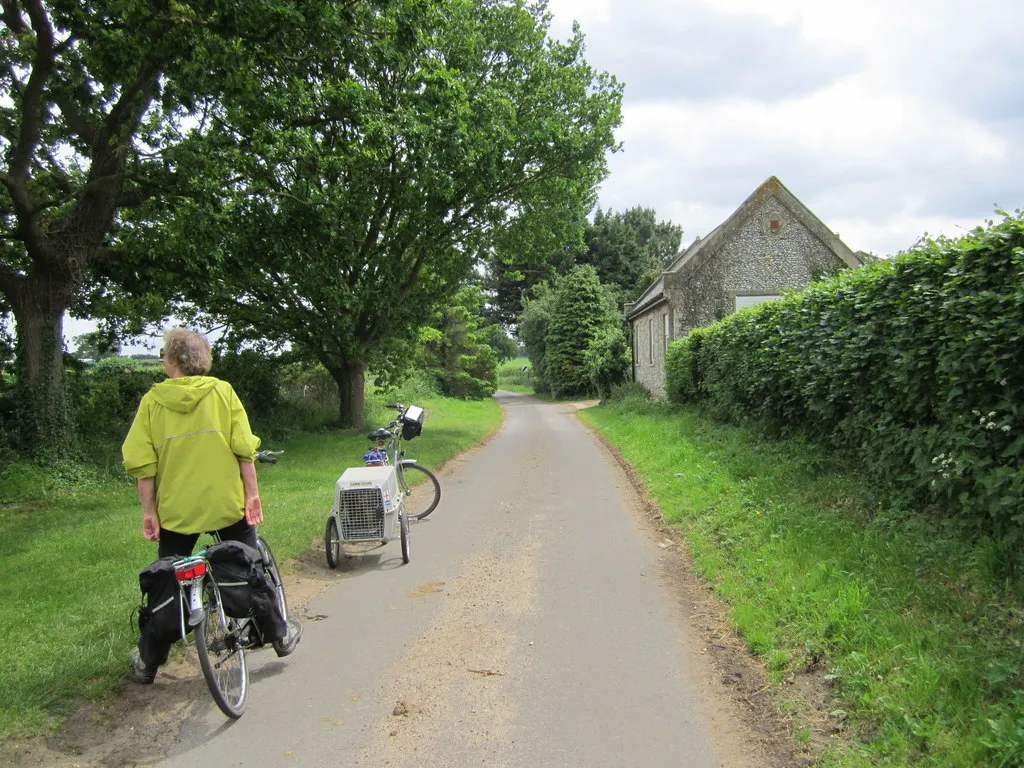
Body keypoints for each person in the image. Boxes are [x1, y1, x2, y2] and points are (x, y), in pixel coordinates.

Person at [121, 329, 295, 683]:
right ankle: (279, 635)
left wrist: (150, 512)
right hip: (225, 503)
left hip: (178, 511)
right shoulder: (222, 392)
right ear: (203, 359)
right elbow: (244, 450)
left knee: (166, 582)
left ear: (170, 361)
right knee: (251, 566)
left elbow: (143, 466)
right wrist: (252, 495)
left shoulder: (153, 403)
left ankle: (149, 663)